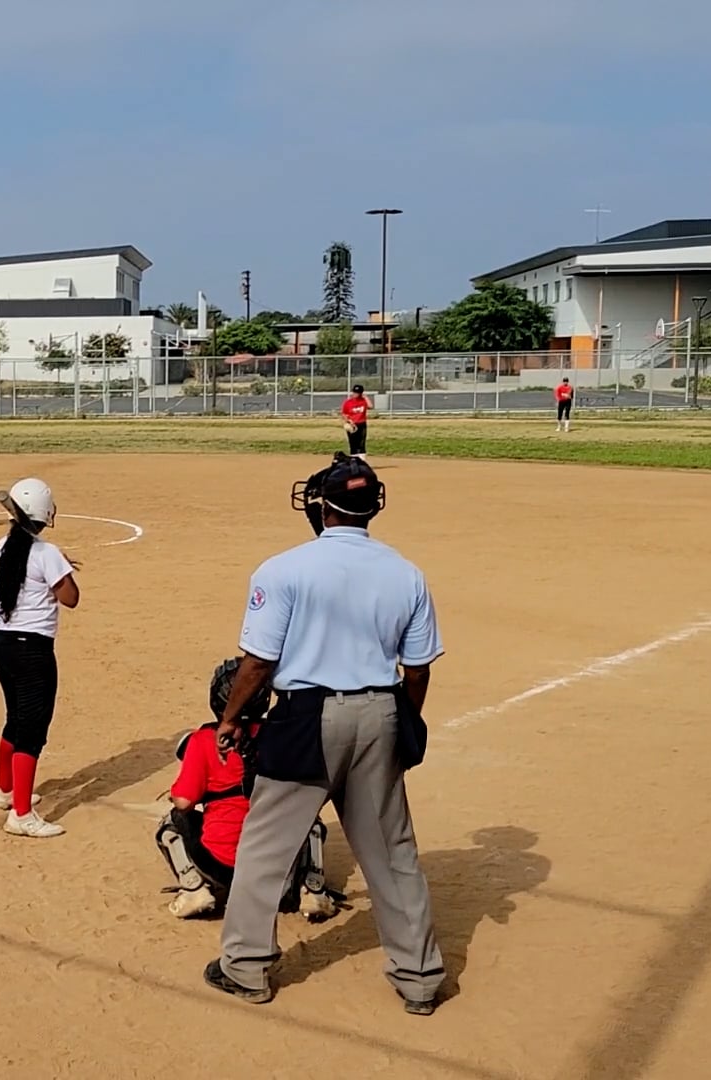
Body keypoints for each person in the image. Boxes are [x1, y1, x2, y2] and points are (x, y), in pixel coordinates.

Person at [204, 452, 446, 1015]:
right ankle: (419, 978)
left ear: (321, 507)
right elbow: (417, 671)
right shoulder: (406, 573)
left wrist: (231, 717)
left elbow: (258, 663)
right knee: (392, 851)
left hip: (306, 716)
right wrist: (402, 722)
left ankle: (246, 968)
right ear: (373, 506)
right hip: (380, 711)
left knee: (266, 848)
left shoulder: (284, 569)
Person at [157, 657, 344, 921]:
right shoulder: (279, 736)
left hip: (220, 864)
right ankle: (313, 889)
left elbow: (184, 802)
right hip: (275, 862)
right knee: (309, 818)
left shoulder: (203, 740)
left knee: (171, 823)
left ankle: (194, 890)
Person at [0, 478, 78, 839]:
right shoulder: (46, 553)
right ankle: (21, 815)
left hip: (1, 642)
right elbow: (71, 598)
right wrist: (63, 567)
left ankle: (4, 790)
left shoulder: (2, 546)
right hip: (31, 649)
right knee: (32, 729)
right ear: (46, 514)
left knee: (16, 718)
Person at [341, 385, 370, 460]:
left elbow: (370, 406)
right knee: (353, 443)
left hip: (362, 424)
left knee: (361, 443)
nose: (355, 394)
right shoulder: (348, 402)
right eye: (354, 392)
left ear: (361, 393)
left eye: (358, 392)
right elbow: (344, 413)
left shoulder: (363, 401)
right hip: (352, 425)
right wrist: (348, 421)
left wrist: (366, 397)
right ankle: (354, 460)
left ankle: (362, 461)